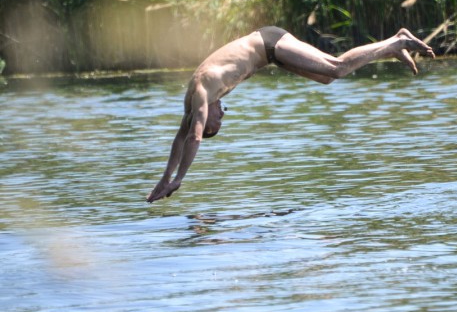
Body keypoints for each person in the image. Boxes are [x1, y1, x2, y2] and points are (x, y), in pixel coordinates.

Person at [148, 26, 435, 202]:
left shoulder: (200, 94)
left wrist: (179, 179)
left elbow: (194, 137)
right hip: (271, 54)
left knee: (337, 67)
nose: (222, 116)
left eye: (216, 123)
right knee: (327, 78)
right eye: (220, 120)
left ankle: (398, 41)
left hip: (269, 42)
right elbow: (181, 136)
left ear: (204, 117)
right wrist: (164, 177)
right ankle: (389, 49)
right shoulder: (194, 105)